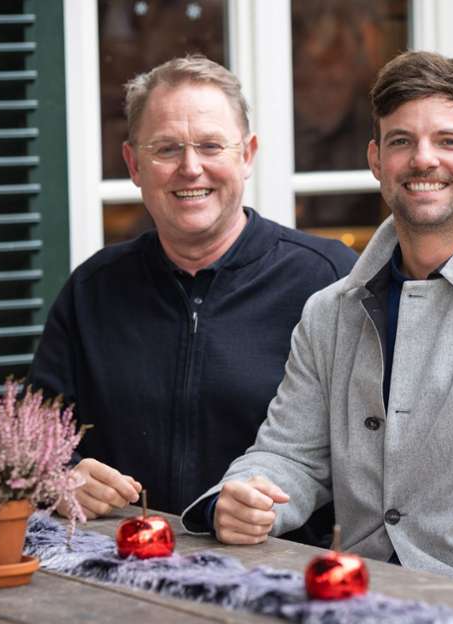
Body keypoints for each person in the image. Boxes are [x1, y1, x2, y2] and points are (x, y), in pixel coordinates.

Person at [181, 51, 453, 613]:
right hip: (371, 613)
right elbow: (289, 455)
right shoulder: (328, 313)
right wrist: (241, 493)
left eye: (448, 141)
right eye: (401, 141)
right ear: (376, 159)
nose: (424, 160)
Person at [29, 56, 357, 530]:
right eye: (166, 149)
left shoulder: (327, 279)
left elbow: (368, 445)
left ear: (247, 155)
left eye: (210, 146)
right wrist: (58, 477)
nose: (190, 167)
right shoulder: (93, 289)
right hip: (115, 570)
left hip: (284, 569)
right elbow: (32, 437)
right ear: (133, 164)